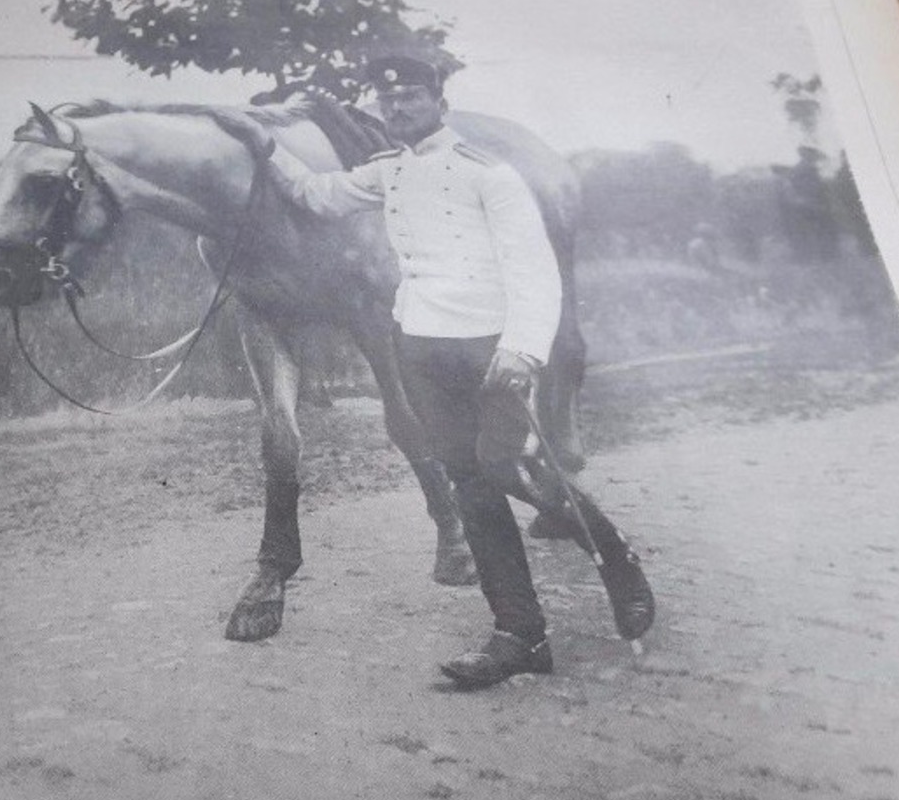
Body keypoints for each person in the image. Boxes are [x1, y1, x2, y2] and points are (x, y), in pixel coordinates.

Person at [212, 55, 654, 689]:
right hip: (420, 345)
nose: (398, 111)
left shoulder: (491, 175)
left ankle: (614, 553)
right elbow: (314, 195)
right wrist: (265, 146)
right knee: (470, 487)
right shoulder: (387, 172)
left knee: (509, 466)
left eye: (412, 100)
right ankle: (519, 635)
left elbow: (534, 270)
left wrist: (524, 349)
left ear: (439, 105)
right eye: (389, 104)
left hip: (487, 345)